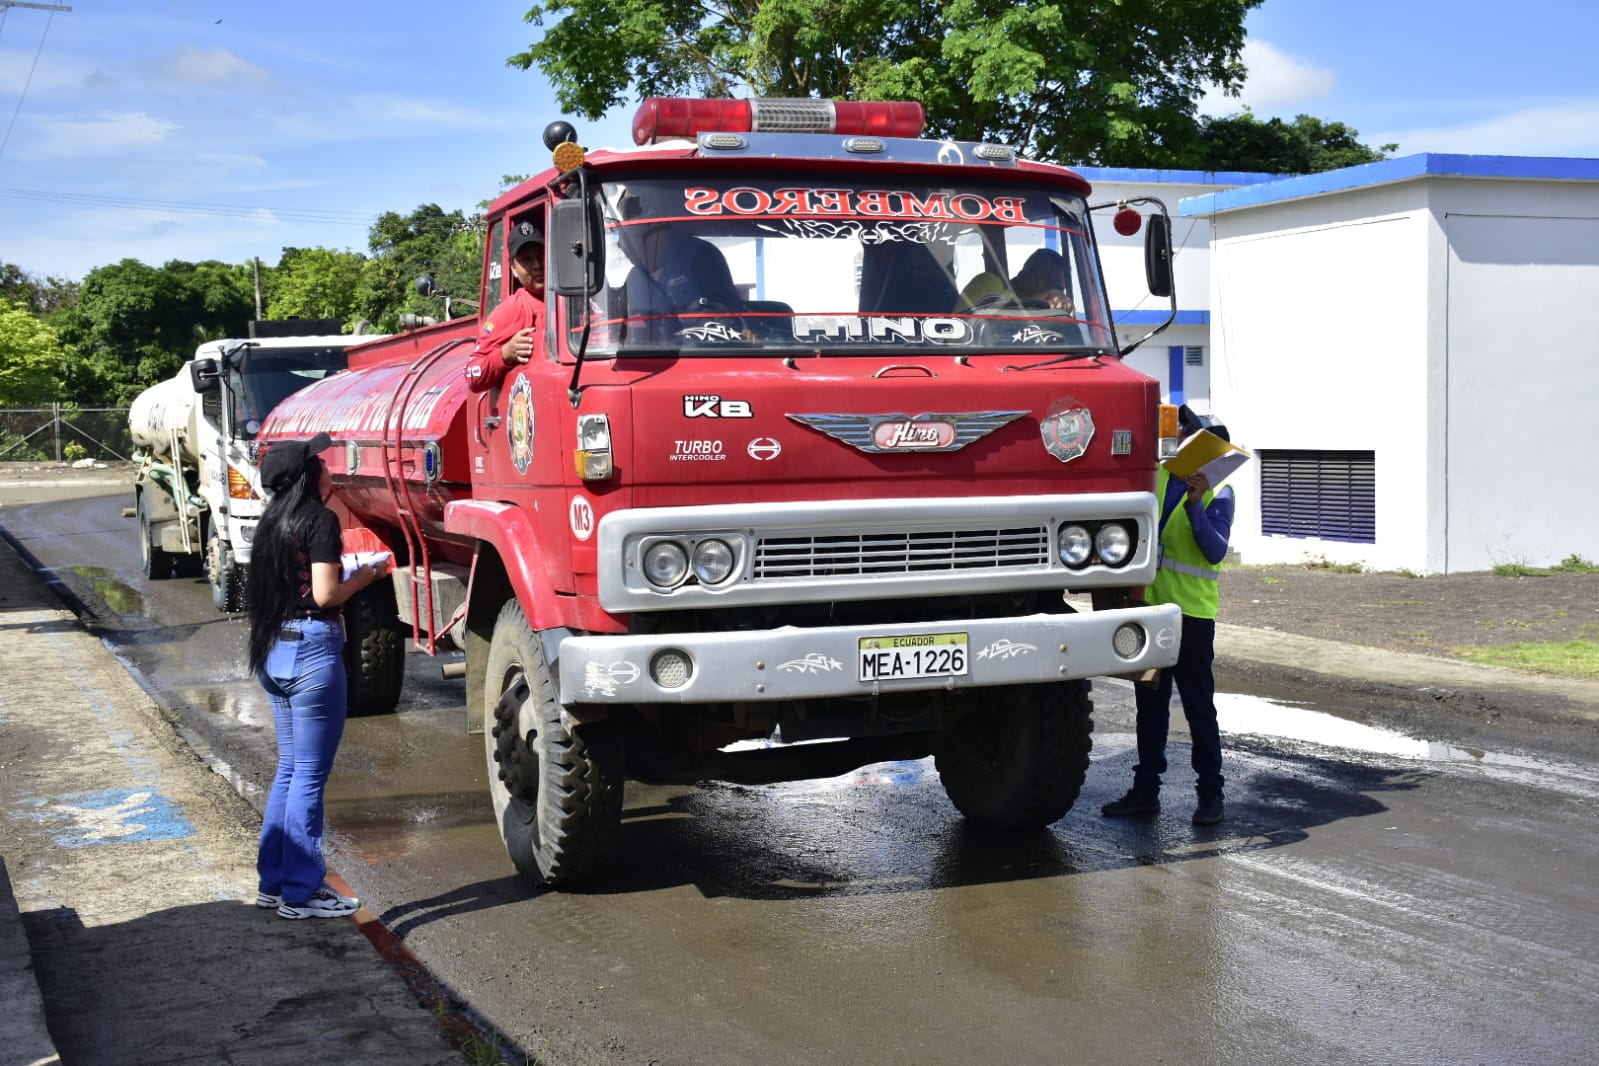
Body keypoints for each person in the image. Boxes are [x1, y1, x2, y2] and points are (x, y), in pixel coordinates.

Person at [246, 432, 389, 918]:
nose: (328, 468)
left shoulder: (270, 524)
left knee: (289, 770)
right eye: (321, 462)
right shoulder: (320, 519)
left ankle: (274, 883)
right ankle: (302, 893)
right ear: (308, 475)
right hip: (311, 652)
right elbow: (327, 595)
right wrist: (367, 575)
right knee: (308, 776)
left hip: (275, 651)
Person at [1102, 405, 1236, 826]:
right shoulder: (1157, 479)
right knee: (1150, 706)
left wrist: (1196, 504)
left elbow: (1214, 550)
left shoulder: (1219, 494)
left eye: (1190, 432)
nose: (1180, 436)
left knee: (1198, 707)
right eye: (1181, 431)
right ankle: (1145, 793)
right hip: (1152, 612)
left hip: (1192, 616)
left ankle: (1210, 793)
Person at [617, 192, 741, 339]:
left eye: (634, 234)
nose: (624, 246)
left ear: (658, 230)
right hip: (650, 357)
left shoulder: (702, 257)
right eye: (624, 237)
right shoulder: (634, 279)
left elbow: (728, 318)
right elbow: (624, 331)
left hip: (702, 353)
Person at [465, 218, 545, 393]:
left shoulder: (576, 300)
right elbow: (472, 374)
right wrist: (505, 354)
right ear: (513, 269)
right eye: (527, 260)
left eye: (541, 256)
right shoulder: (511, 311)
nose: (538, 265)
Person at [1009, 248, 1074, 312]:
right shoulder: (1003, 291)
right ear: (1035, 276)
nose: (1058, 294)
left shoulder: (1051, 307)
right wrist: (1047, 296)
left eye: (1060, 289)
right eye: (1053, 284)